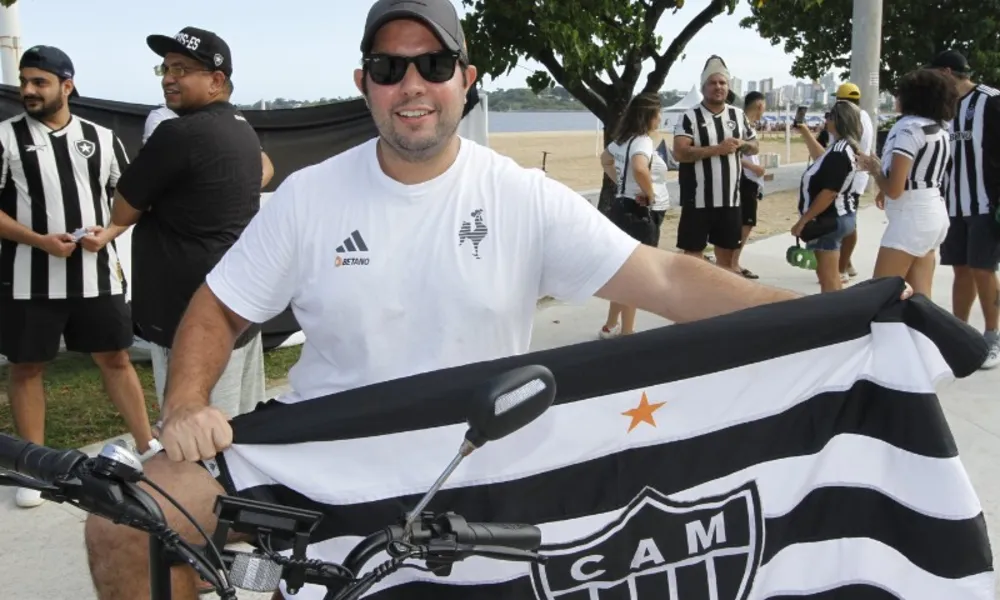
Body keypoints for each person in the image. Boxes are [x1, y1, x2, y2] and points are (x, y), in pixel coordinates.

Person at [81, 1, 911, 597]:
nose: (413, 84)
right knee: (127, 521)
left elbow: (662, 279)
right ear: (364, 82)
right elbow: (218, 307)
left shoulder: (519, 196)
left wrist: (819, 313)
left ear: (466, 80)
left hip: (484, 461)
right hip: (329, 455)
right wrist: (187, 401)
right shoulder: (308, 198)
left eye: (434, 66)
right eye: (390, 67)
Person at [0, 46, 154, 508]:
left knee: (116, 359)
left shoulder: (102, 138)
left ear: (66, 86)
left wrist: (108, 232)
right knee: (27, 367)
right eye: (25, 81)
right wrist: (38, 240)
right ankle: (37, 467)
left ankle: (147, 447)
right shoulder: (5, 137)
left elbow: (130, 199)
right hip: (29, 278)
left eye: (39, 82)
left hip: (96, 275)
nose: (28, 90)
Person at [107, 27, 268, 419]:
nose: (168, 78)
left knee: (194, 440)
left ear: (216, 81)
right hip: (239, 304)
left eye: (181, 69)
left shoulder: (176, 134)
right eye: (164, 68)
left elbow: (121, 211)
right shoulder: (242, 128)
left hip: (188, 318)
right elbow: (266, 168)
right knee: (240, 428)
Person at [928, 50, 1000, 369]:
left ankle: (992, 336)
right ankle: (959, 333)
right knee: (961, 269)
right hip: (953, 205)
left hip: (986, 203)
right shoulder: (943, 110)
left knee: (984, 269)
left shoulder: (991, 100)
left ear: (946, 72)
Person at [857, 68, 956, 298]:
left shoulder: (908, 128)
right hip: (933, 211)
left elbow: (894, 189)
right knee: (921, 301)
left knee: (879, 295)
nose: (896, 97)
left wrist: (874, 170)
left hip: (911, 217)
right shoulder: (938, 128)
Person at [672, 55, 759, 272]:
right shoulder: (689, 116)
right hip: (698, 199)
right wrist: (716, 150)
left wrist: (742, 144)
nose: (718, 87)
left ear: (728, 87)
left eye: (722, 83)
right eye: (713, 83)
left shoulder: (738, 115)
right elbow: (680, 152)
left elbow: (755, 144)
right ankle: (693, 302)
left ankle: (724, 304)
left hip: (730, 199)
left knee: (727, 260)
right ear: (703, 87)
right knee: (692, 258)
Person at [598, 92, 670, 338]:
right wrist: (650, 194)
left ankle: (610, 325)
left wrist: (620, 182)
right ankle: (628, 332)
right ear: (649, 115)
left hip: (621, 208)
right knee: (636, 275)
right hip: (638, 213)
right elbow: (640, 168)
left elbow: (605, 159)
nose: (660, 119)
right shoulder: (642, 141)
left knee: (623, 271)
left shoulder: (621, 140)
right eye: (658, 114)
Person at [142, 78, 275, 187]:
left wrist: (242, 190)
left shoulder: (234, 119)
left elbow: (266, 166)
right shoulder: (161, 117)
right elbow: (157, 172)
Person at [792, 101, 863, 293]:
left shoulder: (840, 152)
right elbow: (822, 159)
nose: (826, 120)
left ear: (838, 121)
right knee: (830, 277)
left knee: (828, 280)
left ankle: (834, 318)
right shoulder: (841, 148)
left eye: (829, 116)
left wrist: (804, 220)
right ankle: (834, 315)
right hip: (840, 215)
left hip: (829, 219)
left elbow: (829, 192)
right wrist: (805, 131)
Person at [832, 83, 875, 284]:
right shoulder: (865, 116)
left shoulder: (848, 118)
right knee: (849, 219)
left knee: (846, 222)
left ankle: (842, 266)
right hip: (857, 177)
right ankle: (846, 263)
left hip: (846, 177)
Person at [735, 91, 768, 279]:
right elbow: (734, 154)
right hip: (745, 178)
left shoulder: (747, 124)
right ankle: (734, 262)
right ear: (760, 106)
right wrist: (753, 167)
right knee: (746, 223)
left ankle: (733, 260)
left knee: (745, 222)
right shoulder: (742, 124)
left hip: (750, 179)